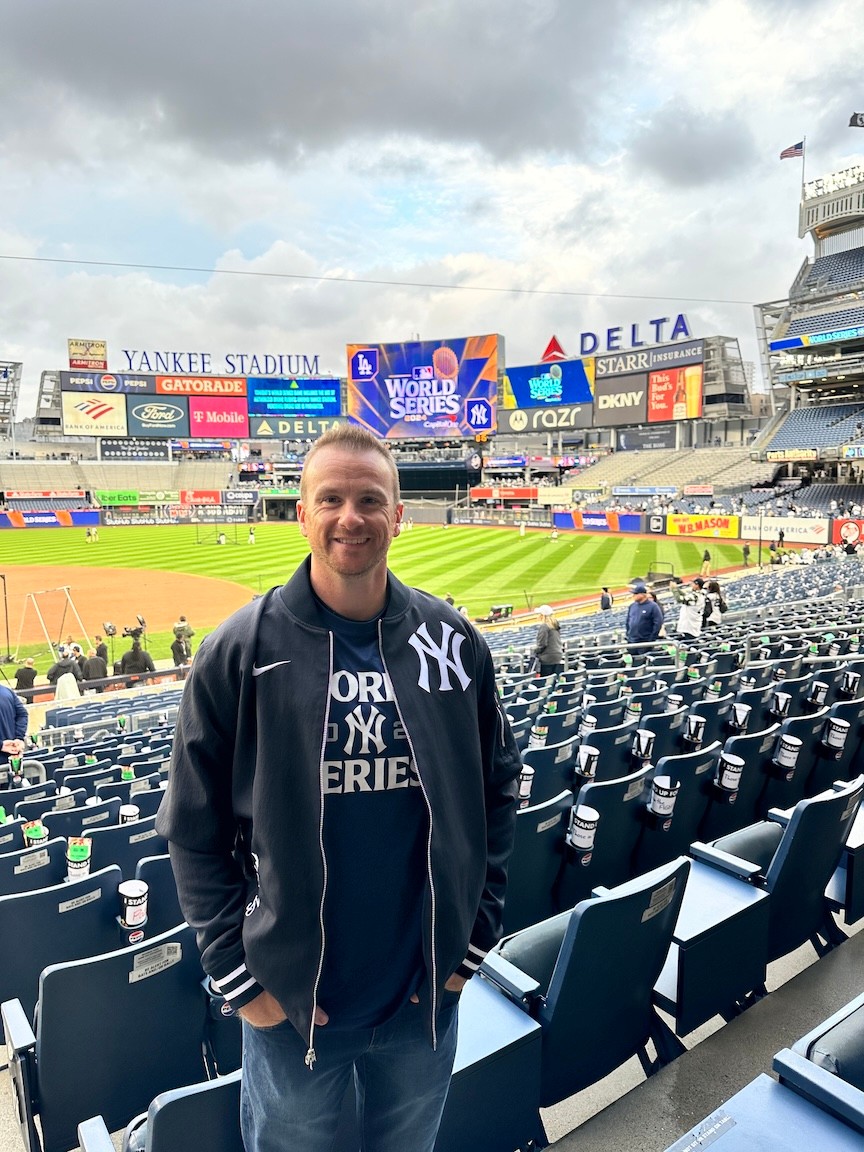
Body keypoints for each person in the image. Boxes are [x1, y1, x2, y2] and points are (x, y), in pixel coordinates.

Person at [156, 423, 521, 1152]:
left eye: (369, 499)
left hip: (423, 998)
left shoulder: (452, 642)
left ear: (398, 514)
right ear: (302, 513)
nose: (350, 517)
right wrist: (239, 980)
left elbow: (498, 791)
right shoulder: (239, 650)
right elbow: (191, 828)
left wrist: (472, 942)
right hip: (292, 1007)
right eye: (330, 498)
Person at [625, 581, 664, 646]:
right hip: (632, 641)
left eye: (635, 594)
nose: (633, 595)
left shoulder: (653, 606)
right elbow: (628, 621)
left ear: (642, 594)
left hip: (645, 641)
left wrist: (651, 639)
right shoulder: (632, 606)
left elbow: (658, 623)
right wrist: (628, 635)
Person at [0, 682, 28, 768]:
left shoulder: (7, 692)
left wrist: (18, 738)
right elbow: (22, 714)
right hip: (12, 760)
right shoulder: (7, 691)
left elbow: (22, 714)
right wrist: (19, 738)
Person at [533, 605, 564, 676]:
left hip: (547, 658)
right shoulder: (555, 625)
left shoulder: (544, 626)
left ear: (542, 615)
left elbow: (542, 644)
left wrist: (534, 651)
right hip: (557, 656)